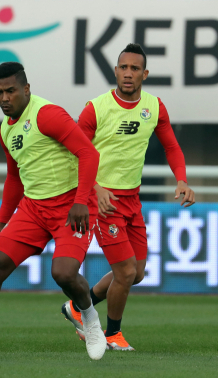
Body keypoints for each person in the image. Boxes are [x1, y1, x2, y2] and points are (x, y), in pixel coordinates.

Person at [0, 62, 107, 361]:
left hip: (71, 206)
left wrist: (81, 200)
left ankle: (89, 319)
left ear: (26, 89)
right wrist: (2, 222)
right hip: (33, 208)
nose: (4, 98)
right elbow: (14, 178)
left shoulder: (47, 114)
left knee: (64, 273)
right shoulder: (5, 129)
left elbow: (88, 153)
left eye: (10, 91)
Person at [60, 43, 195, 351]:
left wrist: (182, 179)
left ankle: (78, 307)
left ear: (144, 74)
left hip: (132, 201)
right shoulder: (96, 108)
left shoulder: (154, 106)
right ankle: (111, 334)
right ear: (115, 71)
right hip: (103, 201)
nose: (129, 73)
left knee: (138, 273)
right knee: (126, 272)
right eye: (124, 67)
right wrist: (94, 188)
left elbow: (172, 146)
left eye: (135, 68)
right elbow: (72, 153)